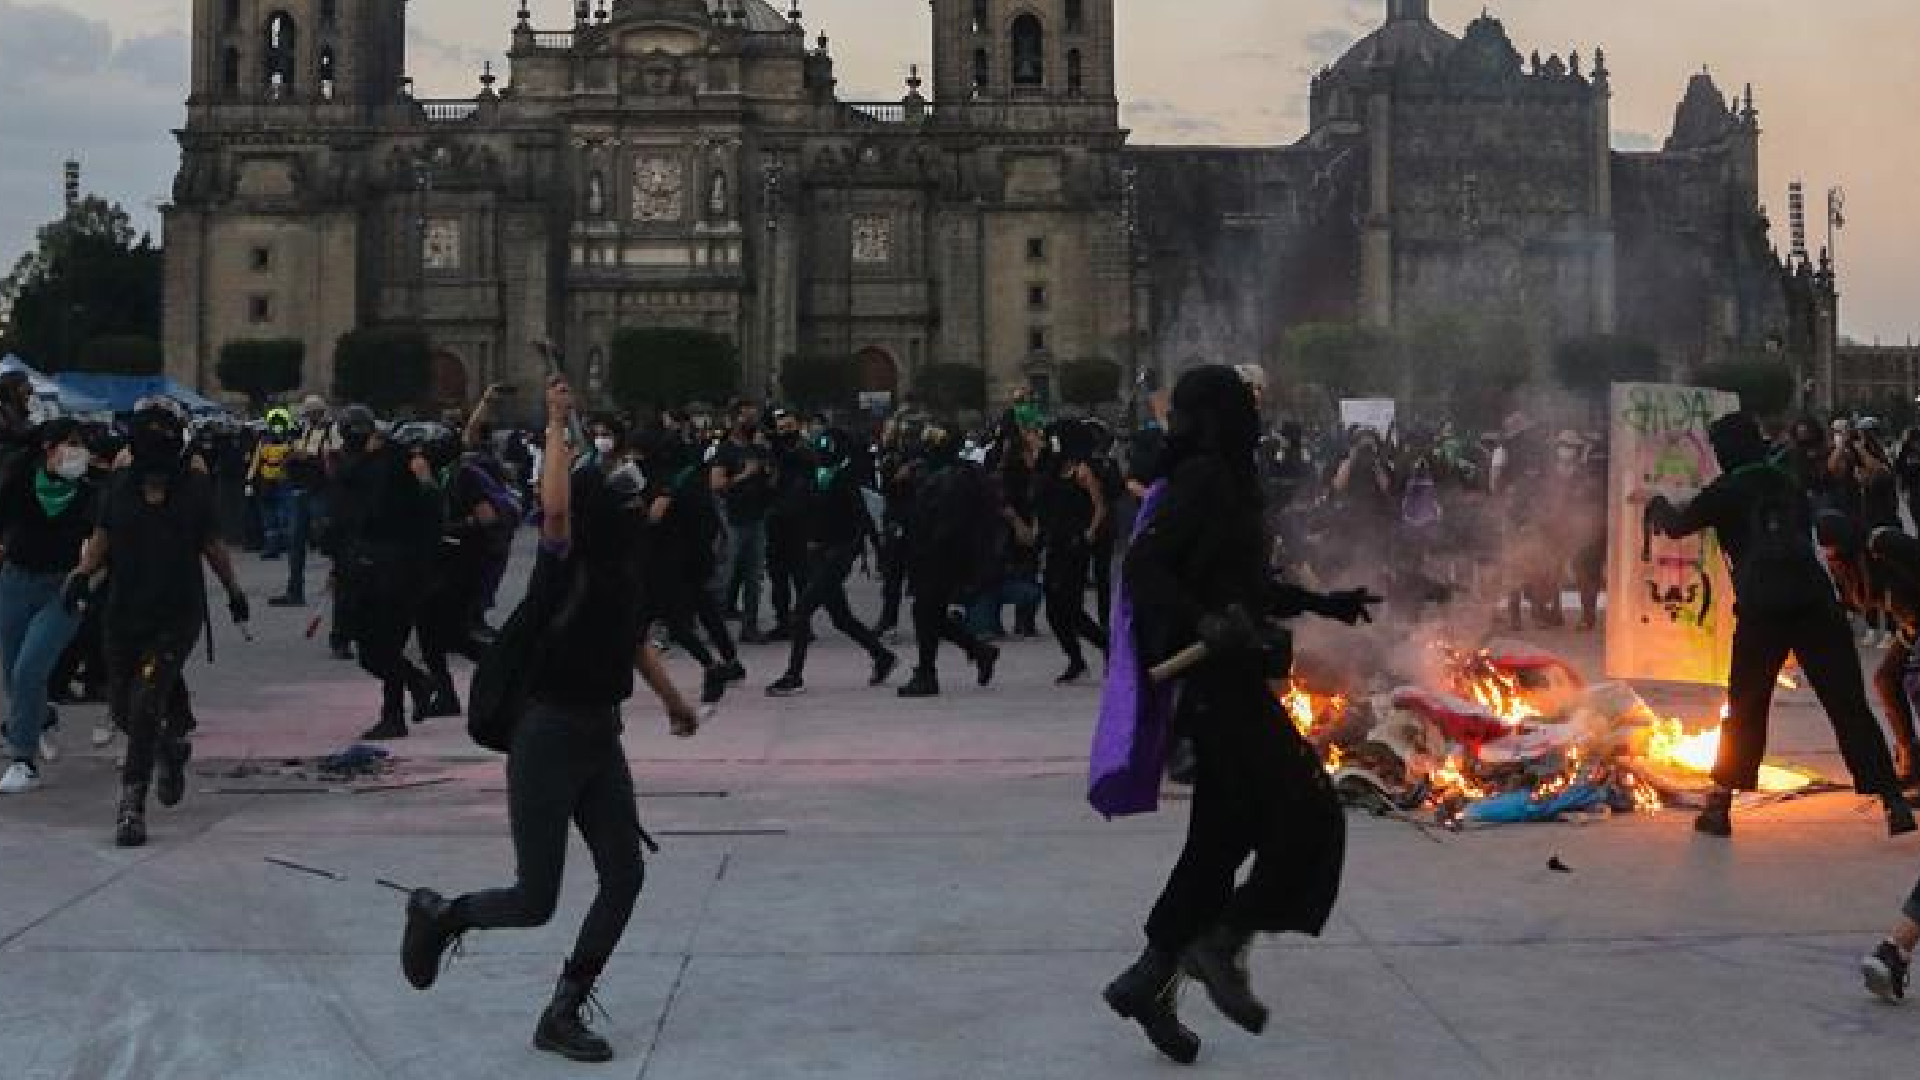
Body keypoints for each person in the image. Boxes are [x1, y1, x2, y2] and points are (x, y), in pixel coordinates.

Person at [1102, 366, 1375, 1065]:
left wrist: (1323, 603)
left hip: (1230, 677)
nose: (1259, 414)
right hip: (1217, 688)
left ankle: (1149, 977)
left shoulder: (1221, 480)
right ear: (1223, 415)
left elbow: (1244, 586)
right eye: (1246, 404)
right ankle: (1221, 939)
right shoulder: (1203, 481)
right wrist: (1203, 620)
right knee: (1310, 809)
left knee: (1220, 839)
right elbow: (1146, 568)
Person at [398, 376, 653, 1064]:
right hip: (548, 736)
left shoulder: (626, 574)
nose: (638, 509)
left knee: (625, 876)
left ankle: (563, 1008)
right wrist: (554, 420)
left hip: (601, 736)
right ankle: (442, 916)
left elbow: (631, 640)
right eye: (626, 502)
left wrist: (679, 701)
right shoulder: (562, 563)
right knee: (535, 898)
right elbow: (560, 510)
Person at [1646, 411, 1916, 838]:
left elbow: (1677, 525)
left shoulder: (1726, 490)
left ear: (1726, 451)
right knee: (1847, 705)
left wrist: (1657, 504)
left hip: (1762, 614)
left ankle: (1718, 807)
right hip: (1817, 608)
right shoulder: (1786, 483)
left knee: (1746, 708)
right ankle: (1893, 801)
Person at [66, 400, 249, 846]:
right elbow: (102, 537)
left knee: (148, 699)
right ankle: (170, 748)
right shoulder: (119, 486)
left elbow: (212, 544)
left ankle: (132, 804)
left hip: (175, 616)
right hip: (123, 613)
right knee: (123, 709)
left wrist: (233, 591)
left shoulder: (194, 490)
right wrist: (82, 575)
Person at [0, 419, 99, 793]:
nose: (78, 452)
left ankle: (23, 760)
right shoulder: (22, 479)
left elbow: (102, 540)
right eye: (71, 444)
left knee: (29, 668)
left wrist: (89, 576)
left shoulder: (91, 493)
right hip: (15, 582)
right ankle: (40, 718)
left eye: (81, 445)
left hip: (63, 589)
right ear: (49, 448)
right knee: (13, 674)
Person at [765, 429, 897, 696]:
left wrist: (863, 552)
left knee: (801, 611)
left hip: (836, 555)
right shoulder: (815, 476)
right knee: (841, 618)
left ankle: (794, 675)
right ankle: (881, 655)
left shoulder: (844, 478)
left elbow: (862, 519)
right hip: (818, 553)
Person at [337, 419, 443, 740]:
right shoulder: (400, 471)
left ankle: (397, 710)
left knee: (381, 645)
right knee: (380, 646)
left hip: (387, 570)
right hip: (387, 568)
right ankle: (413, 687)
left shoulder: (389, 471)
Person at [896, 427, 1000, 698]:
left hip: (939, 557)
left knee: (925, 613)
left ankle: (928, 673)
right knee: (930, 615)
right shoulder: (946, 473)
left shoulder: (950, 478)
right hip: (938, 555)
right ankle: (978, 651)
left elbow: (945, 523)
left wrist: (929, 550)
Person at [1819, 514, 1920, 790]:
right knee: (1886, 679)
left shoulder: (1884, 544)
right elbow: (1847, 607)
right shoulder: (1848, 569)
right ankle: (1910, 757)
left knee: (1915, 683)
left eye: (1836, 553)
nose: (1834, 561)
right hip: (1912, 626)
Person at [1037, 418, 1110, 684]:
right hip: (1055, 543)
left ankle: (1106, 646)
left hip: (1074, 545)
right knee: (1054, 610)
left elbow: (1099, 506)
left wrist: (1088, 535)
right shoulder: (1054, 468)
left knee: (1071, 607)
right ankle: (1076, 658)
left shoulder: (1082, 470)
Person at [710, 411, 774, 642]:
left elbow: (771, 479)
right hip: (732, 519)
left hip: (756, 518)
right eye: (743, 417)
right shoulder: (725, 451)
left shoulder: (760, 450)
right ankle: (713, 625)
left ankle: (750, 625)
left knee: (754, 577)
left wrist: (769, 475)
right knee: (724, 576)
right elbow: (716, 484)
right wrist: (744, 475)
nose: (748, 422)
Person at [271, 396, 338, 607]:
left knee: (328, 538)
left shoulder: (331, 431)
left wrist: (307, 457)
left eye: (312, 413)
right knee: (296, 542)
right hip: (302, 489)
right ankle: (295, 591)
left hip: (321, 491)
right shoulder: (304, 430)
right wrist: (290, 459)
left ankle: (341, 582)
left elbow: (334, 458)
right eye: (308, 414)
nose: (310, 417)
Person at [248, 407, 296, 560]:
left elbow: (294, 459)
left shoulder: (290, 441)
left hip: (283, 481)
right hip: (267, 481)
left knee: (283, 515)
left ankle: (286, 546)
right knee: (269, 516)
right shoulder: (264, 442)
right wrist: (249, 480)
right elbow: (256, 461)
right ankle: (272, 547)